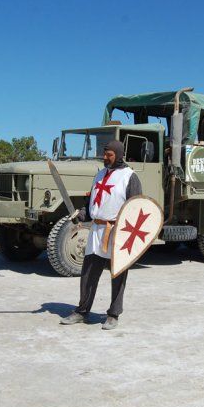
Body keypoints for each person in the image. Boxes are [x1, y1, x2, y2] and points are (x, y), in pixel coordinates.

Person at [60, 140, 142, 330]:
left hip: (117, 231)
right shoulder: (99, 174)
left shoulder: (129, 177)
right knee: (88, 273)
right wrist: (81, 214)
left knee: (118, 274)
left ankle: (113, 314)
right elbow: (92, 204)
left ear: (119, 155)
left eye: (109, 154)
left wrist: (127, 235)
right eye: (104, 153)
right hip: (97, 231)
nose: (105, 157)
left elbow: (136, 207)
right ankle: (82, 311)